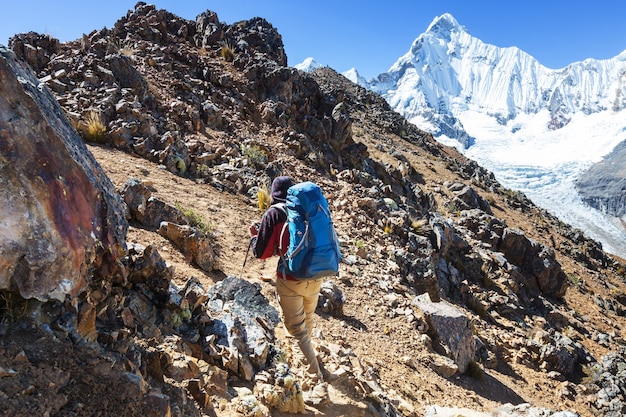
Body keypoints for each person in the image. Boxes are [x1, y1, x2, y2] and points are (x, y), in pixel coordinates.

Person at [249, 176, 326, 384]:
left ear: (273, 193)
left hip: (291, 279)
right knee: (307, 319)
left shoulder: (274, 214)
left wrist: (256, 236)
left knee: (296, 330)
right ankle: (312, 358)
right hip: (316, 275)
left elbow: (261, 253)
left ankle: (314, 380)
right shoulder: (305, 210)